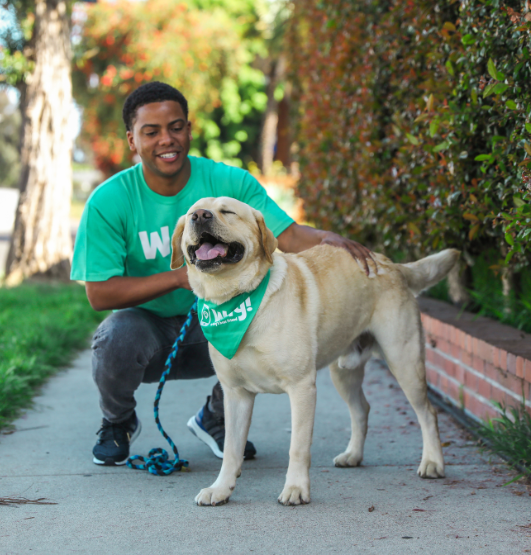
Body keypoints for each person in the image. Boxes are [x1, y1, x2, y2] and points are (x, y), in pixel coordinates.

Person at [71, 81, 375, 466]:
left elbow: (288, 235)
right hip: (147, 331)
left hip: (217, 319)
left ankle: (214, 417)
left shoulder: (228, 183)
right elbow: (99, 294)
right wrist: (180, 278)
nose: (167, 139)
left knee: (266, 312)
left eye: (176, 127)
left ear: (189, 129)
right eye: (152, 132)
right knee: (114, 337)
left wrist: (330, 239)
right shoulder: (109, 201)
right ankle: (117, 422)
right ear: (132, 140)